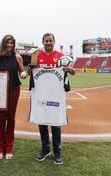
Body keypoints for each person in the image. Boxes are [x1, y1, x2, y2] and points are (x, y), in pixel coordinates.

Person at [30, 33, 75, 165]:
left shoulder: (60, 56)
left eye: (50, 40)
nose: (48, 43)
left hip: (56, 94)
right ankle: (45, 149)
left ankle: (57, 150)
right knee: (42, 120)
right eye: (46, 41)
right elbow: (29, 73)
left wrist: (69, 68)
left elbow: (73, 72)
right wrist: (30, 69)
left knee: (55, 121)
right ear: (43, 42)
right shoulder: (37, 56)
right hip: (41, 94)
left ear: (54, 42)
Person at [0, 35, 26, 160]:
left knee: (11, 119)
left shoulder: (17, 57)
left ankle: (9, 146)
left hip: (14, 89)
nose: (10, 45)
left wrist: (24, 74)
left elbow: (22, 73)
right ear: (4, 43)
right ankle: (0, 146)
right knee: (1, 119)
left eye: (11, 43)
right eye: (7, 42)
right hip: (0, 92)